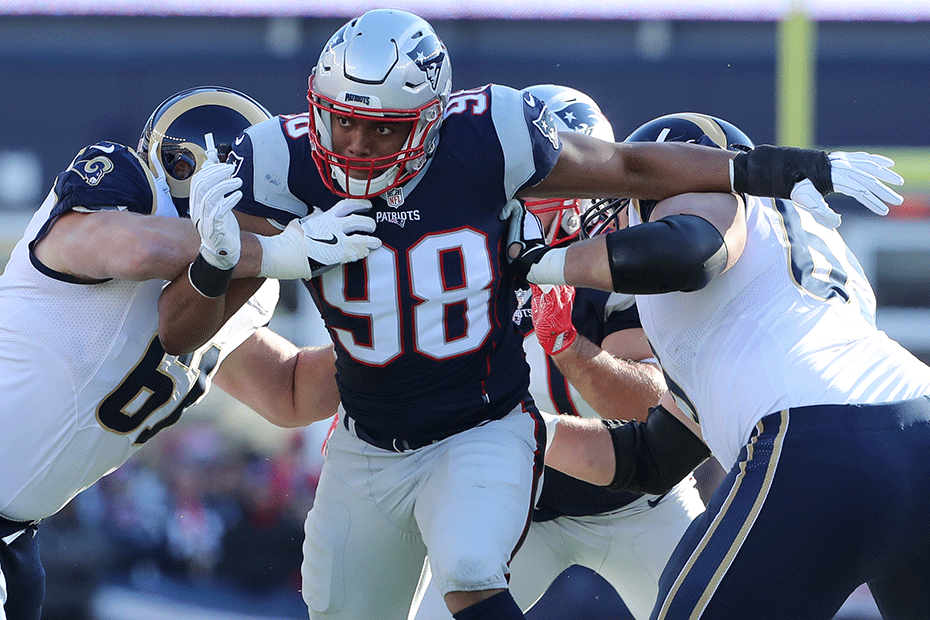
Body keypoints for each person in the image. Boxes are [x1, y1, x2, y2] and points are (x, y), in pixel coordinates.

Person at [159, 9, 904, 620]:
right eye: (534, 197)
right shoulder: (362, 195)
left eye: (561, 191)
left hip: (618, 494)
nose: (550, 212)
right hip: (471, 480)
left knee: (478, 566)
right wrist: (244, 272)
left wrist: (568, 340)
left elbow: (659, 425)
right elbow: (300, 382)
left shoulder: (613, 254)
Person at [509, 112, 930, 620]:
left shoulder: (719, 204)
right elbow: (652, 458)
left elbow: (689, 252)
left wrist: (540, 263)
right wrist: (526, 430)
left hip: (819, 440)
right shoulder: (764, 292)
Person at [0, 85, 381, 620]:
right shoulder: (125, 185)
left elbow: (289, 390)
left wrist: (394, 338)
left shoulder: (248, 280)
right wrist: (274, 251)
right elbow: (141, 250)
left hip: (17, 536)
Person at [409, 85, 705, 620]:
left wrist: (569, 348)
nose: (534, 201)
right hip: (516, 504)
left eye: (556, 182)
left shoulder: (624, 266)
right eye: (529, 181)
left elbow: (648, 403)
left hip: (637, 500)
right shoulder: (463, 257)